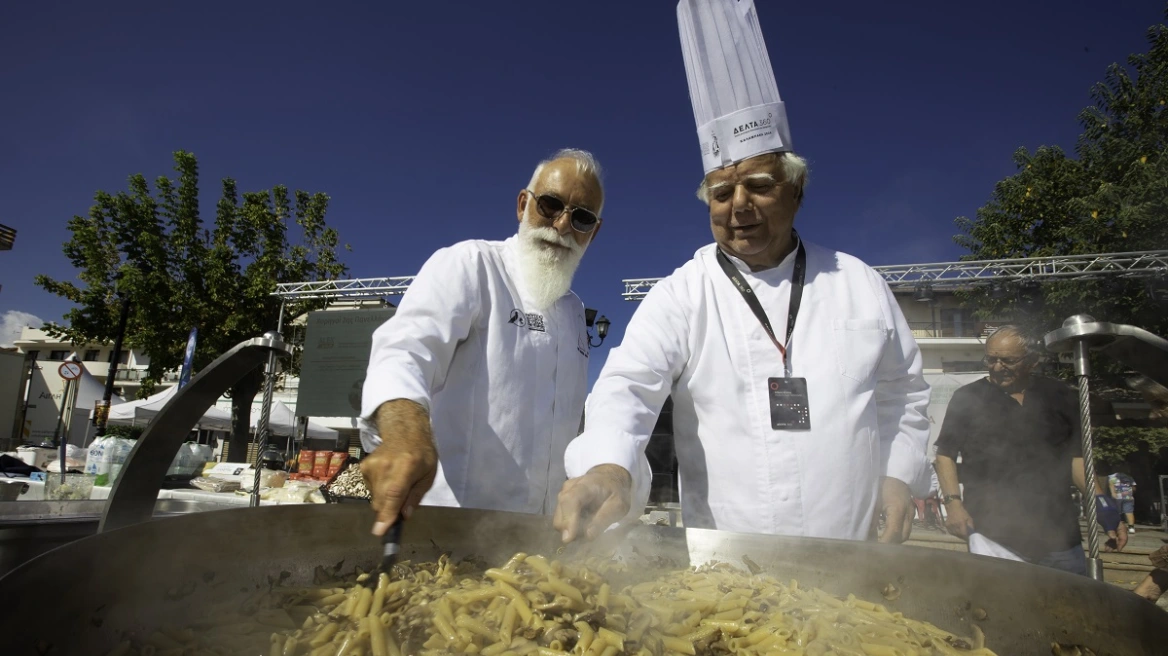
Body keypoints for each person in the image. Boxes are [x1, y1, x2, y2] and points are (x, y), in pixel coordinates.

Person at [553, 0, 931, 544]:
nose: (739, 206)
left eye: (759, 185)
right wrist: (609, 465)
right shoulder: (682, 293)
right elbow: (627, 387)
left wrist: (897, 476)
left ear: (796, 191)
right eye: (722, 192)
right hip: (726, 573)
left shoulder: (859, 284)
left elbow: (904, 395)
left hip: (854, 558)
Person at [359, 148, 604, 535]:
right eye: (550, 205)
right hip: (450, 532)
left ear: (594, 231)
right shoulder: (472, 265)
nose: (561, 225)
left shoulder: (575, 313)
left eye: (582, 217)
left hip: (542, 540)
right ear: (524, 204)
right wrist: (404, 430)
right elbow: (406, 349)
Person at [933, 326, 1126, 575]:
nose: (997, 367)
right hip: (993, 533)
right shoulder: (968, 397)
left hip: (1059, 534)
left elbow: (1076, 460)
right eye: (991, 359)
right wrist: (953, 505)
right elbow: (945, 454)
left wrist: (1102, 505)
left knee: (1068, 607)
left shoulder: (1059, 395)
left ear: (1032, 361)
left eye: (1008, 360)